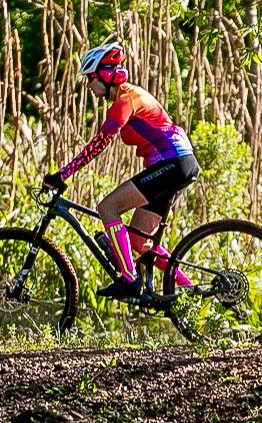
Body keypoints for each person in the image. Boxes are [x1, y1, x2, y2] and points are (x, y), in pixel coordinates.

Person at [47, 42, 200, 300]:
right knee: (140, 242)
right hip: (177, 165)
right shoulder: (127, 97)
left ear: (105, 76)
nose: (89, 85)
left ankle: (130, 279)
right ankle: (192, 291)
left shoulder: (126, 99)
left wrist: (62, 175)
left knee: (107, 207)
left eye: (91, 78)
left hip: (173, 164)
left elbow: (98, 144)